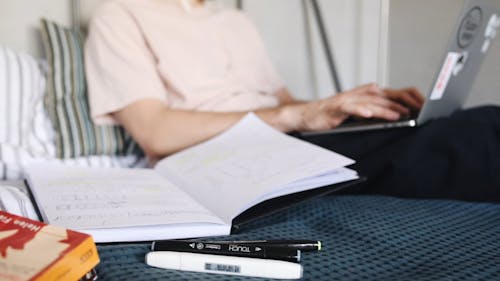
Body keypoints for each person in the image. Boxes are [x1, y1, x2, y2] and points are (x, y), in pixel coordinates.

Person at [85, 0, 500, 202]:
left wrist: (355, 107)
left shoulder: (235, 20)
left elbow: (286, 104)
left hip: (290, 139)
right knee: (472, 139)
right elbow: (154, 132)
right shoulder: (119, 15)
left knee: (473, 121)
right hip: (225, 158)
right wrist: (298, 113)